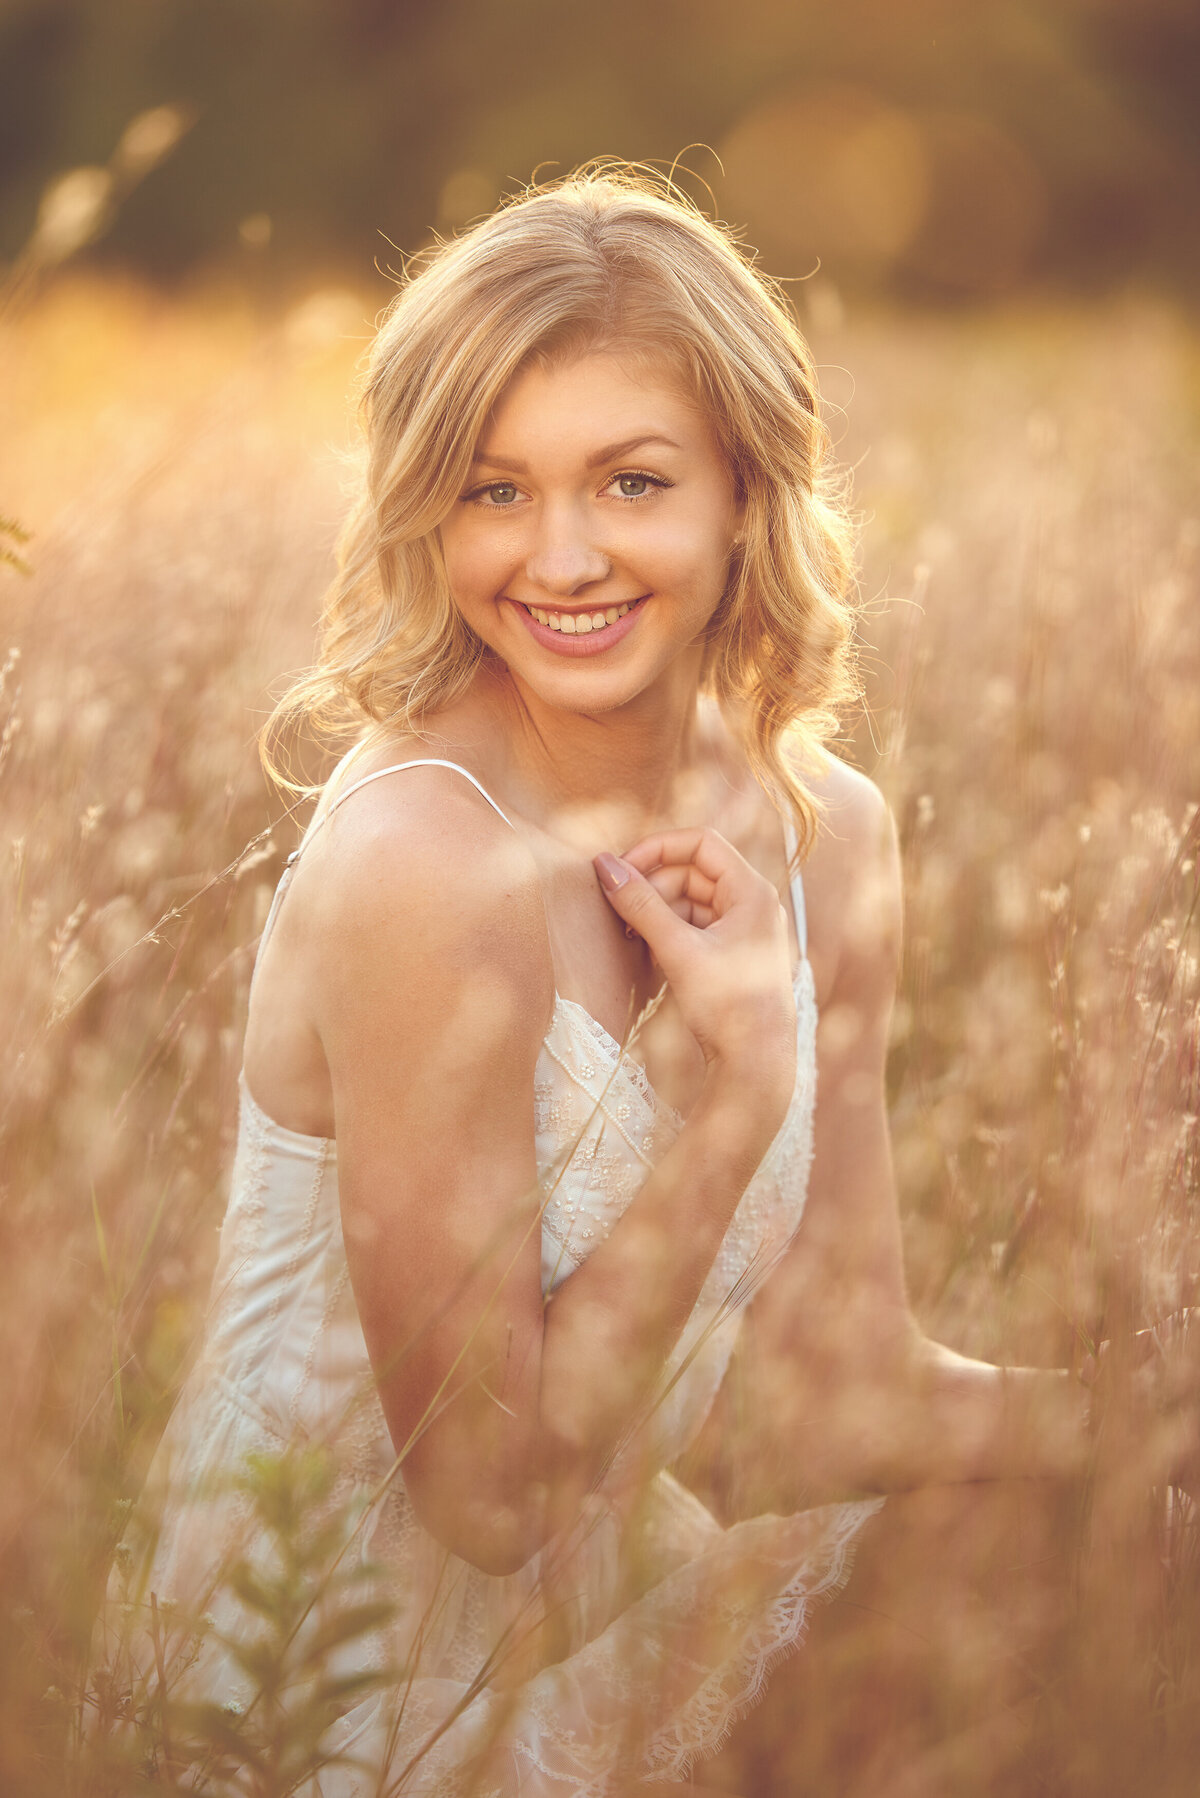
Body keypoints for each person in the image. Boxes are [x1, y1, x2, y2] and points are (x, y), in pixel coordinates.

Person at [90, 166, 1140, 1797]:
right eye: (493, 491)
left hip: (609, 1610)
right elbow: (490, 1499)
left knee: (1119, 1555)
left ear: (744, 494)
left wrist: (1146, 1419)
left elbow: (838, 1391)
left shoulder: (827, 835)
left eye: (631, 482)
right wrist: (732, 1099)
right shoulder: (423, 863)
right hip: (346, 1698)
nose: (559, 557)